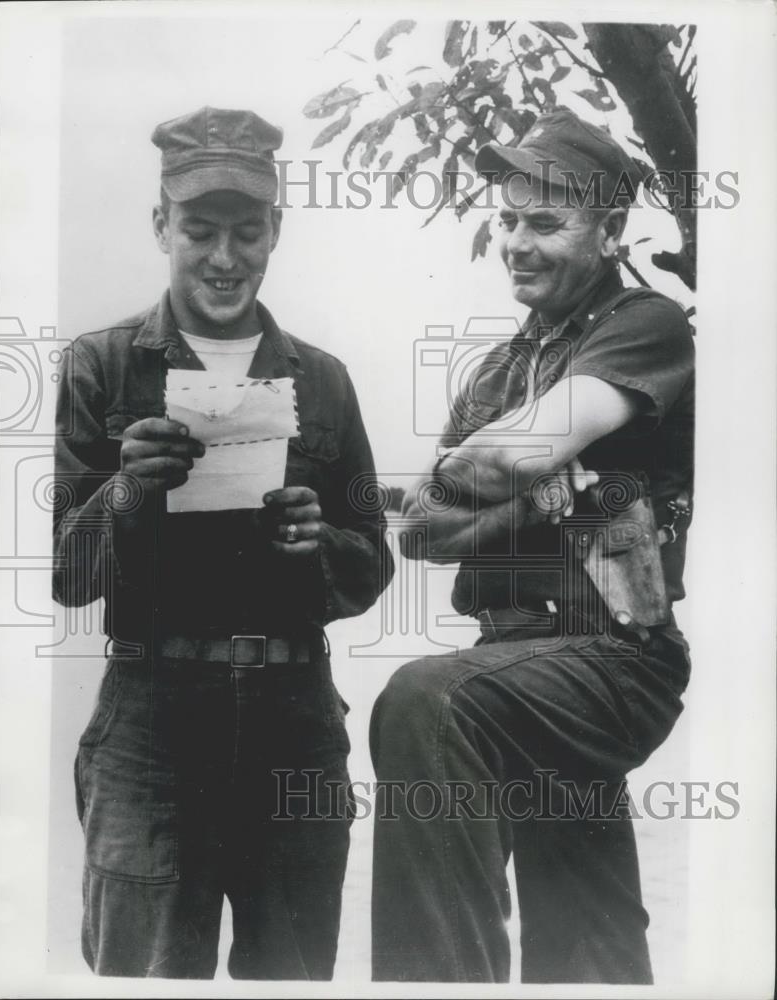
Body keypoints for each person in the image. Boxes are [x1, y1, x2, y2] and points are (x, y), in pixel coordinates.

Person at [53, 106, 393, 980]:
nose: (224, 257)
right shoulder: (101, 366)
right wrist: (125, 491)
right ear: (160, 224)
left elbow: (369, 566)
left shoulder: (323, 379)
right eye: (199, 230)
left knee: (292, 975)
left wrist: (320, 545)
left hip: (295, 718)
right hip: (150, 723)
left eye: (248, 232)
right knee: (146, 975)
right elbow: (66, 575)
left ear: (277, 227)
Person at [370, 109, 694, 984]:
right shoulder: (493, 372)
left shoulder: (642, 325)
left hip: (610, 659)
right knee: (591, 943)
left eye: (546, 222)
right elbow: (422, 526)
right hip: (513, 661)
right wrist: (529, 500)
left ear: (610, 231)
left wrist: (483, 469)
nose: (516, 242)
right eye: (508, 219)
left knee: (424, 704)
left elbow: (480, 466)